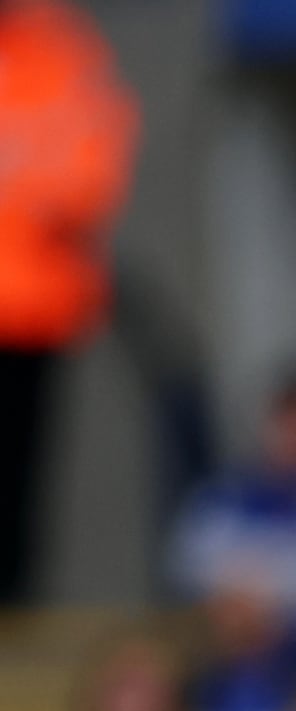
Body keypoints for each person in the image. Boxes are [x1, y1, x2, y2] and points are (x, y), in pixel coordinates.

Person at [0, 0, 136, 609]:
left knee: (24, 469)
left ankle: (14, 597)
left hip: (36, 312)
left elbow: (91, 167)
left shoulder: (63, 48)